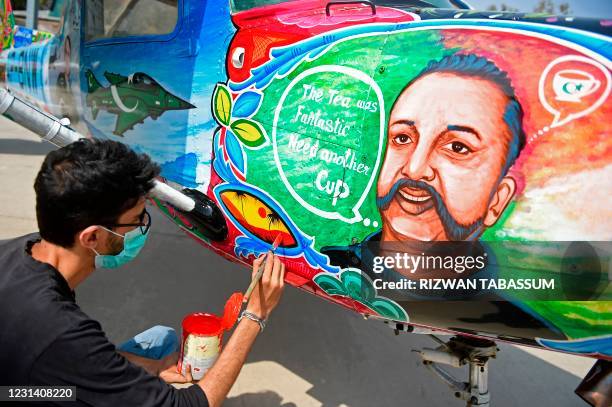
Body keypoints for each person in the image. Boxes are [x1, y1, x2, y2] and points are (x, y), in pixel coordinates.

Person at [0, 138, 285, 407]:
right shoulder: (60, 331)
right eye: (136, 220)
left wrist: (153, 369)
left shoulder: (20, 251)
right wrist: (255, 315)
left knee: (160, 342)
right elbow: (192, 404)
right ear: (92, 237)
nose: (141, 227)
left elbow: (70, 361)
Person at [323, 54, 526, 278]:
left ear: (497, 200)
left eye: (458, 147)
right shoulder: (327, 268)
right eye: (402, 138)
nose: (414, 169)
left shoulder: (496, 310)